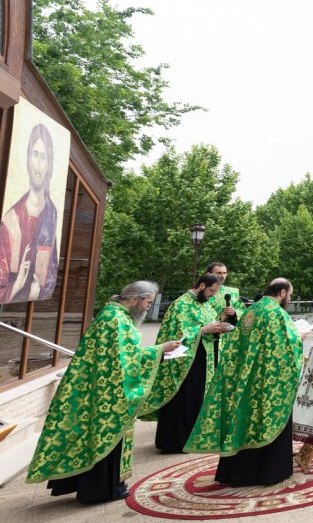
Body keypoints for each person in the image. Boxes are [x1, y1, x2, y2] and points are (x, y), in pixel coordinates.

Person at [26, 282, 181, 502]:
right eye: (148, 302)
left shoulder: (112, 314)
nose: (148, 307)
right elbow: (125, 362)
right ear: (136, 298)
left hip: (98, 387)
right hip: (107, 392)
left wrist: (157, 352)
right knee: (103, 435)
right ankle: (100, 489)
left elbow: (124, 355)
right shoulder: (116, 320)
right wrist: (160, 350)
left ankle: (102, 486)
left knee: (92, 434)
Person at [186, 278, 311, 487]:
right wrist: (299, 337)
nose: (289, 298)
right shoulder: (275, 313)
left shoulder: (253, 310)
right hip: (266, 382)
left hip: (247, 379)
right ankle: (269, 472)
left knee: (244, 423)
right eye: (289, 294)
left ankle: (237, 472)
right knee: (264, 421)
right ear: (282, 292)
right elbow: (282, 348)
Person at [142, 274, 233, 453]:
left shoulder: (205, 305)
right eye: (211, 292)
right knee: (182, 401)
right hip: (183, 363)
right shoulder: (180, 305)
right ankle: (174, 443)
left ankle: (192, 439)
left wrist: (219, 325)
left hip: (202, 360)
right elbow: (178, 333)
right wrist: (204, 330)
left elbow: (207, 326)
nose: (212, 296)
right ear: (201, 286)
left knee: (196, 400)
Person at [0, 123, 59, 304]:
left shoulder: (51, 212)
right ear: (27, 159)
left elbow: (52, 267)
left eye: (44, 157)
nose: (39, 164)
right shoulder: (11, 219)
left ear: (49, 164)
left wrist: (40, 289)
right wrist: (17, 285)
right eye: (35, 155)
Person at [204, 261, 241, 328]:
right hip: (209, 333)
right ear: (209, 274)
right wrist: (220, 318)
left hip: (230, 333)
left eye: (224, 273)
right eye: (219, 273)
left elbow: (243, 311)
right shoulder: (202, 292)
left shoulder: (233, 292)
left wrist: (234, 313)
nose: (222, 276)